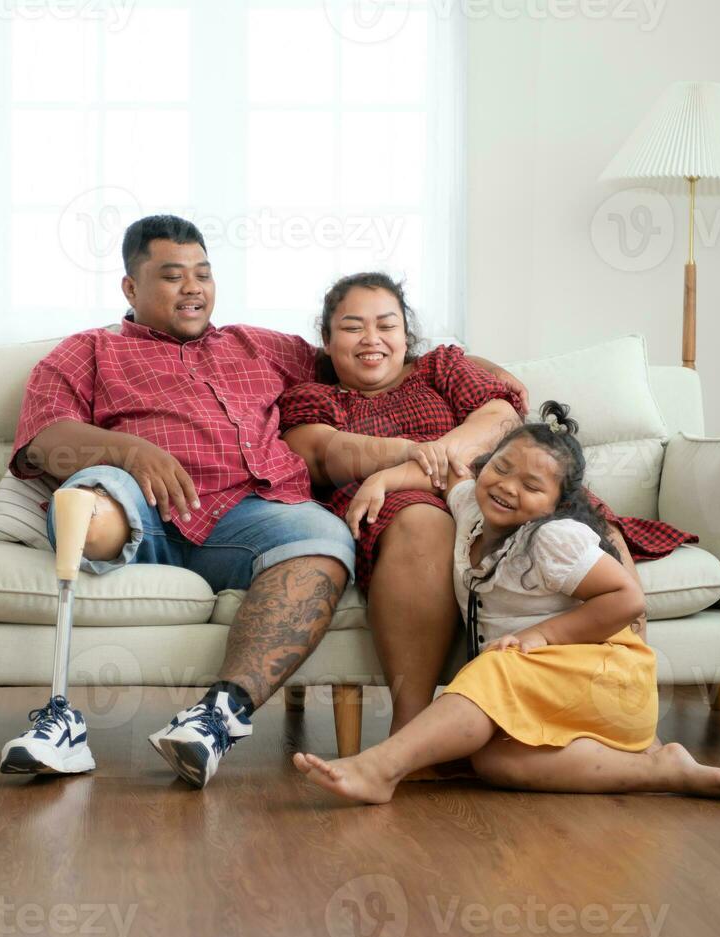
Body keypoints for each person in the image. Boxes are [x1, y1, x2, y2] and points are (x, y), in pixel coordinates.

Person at [0, 216, 528, 789]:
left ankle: (215, 719)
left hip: (250, 516)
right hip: (140, 505)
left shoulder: (260, 347)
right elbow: (45, 439)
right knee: (88, 500)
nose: (193, 288)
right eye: (173, 276)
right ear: (130, 288)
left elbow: (365, 353)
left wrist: (480, 371)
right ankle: (59, 722)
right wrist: (130, 451)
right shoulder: (89, 351)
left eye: (203, 274)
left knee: (326, 539)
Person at [277, 273, 694, 737]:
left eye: (386, 325)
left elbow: (499, 419)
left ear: (406, 335)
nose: (371, 338)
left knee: (583, 513)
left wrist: (419, 463)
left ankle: (628, 700)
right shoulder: (313, 398)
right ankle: (412, 728)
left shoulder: (442, 368)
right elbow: (322, 452)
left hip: (488, 484)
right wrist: (420, 466)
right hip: (405, 509)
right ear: (328, 340)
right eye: (352, 327)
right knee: (421, 520)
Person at [291, 402, 720, 805]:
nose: (509, 486)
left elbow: (627, 598)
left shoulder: (552, 539)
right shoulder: (473, 506)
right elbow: (445, 471)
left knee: (495, 666)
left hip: (608, 681)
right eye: (503, 467)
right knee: (493, 761)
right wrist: (383, 480)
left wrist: (541, 635)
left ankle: (380, 769)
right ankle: (659, 770)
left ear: (557, 505)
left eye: (532, 486)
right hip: (553, 690)